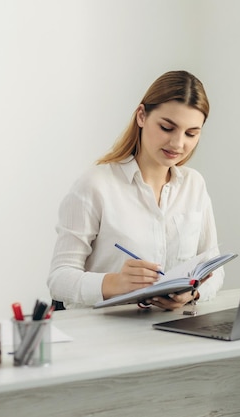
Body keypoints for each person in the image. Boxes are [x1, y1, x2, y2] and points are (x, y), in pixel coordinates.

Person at [47, 70, 224, 310]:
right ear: (141, 116)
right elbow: (59, 279)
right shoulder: (95, 185)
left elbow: (215, 269)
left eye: (191, 133)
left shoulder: (194, 184)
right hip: (104, 336)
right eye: (167, 128)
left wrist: (193, 293)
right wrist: (114, 282)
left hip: (171, 330)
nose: (178, 143)